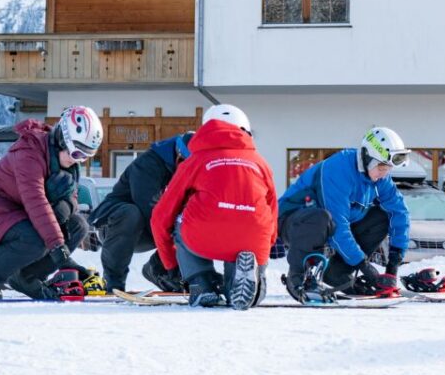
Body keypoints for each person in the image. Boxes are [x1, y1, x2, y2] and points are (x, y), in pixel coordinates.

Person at [0, 106, 103, 300]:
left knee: (77, 226)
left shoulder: (66, 164)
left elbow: (73, 196)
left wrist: (65, 207)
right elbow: (35, 201)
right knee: (36, 238)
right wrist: (61, 255)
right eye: (78, 154)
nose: (79, 161)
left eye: (87, 156)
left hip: (19, 213)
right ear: (63, 140)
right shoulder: (29, 153)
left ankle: (27, 276)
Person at [150, 104, 278, 310]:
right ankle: (247, 284)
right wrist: (265, 246)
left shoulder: (195, 161)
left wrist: (171, 265)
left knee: (179, 219)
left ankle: (202, 285)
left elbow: (162, 214)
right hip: (253, 235)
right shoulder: (260, 163)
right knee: (243, 261)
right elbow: (272, 209)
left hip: (203, 234)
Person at [278, 127, 411, 303]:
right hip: (294, 220)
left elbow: (399, 212)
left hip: (331, 224)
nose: (384, 174)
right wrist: (364, 266)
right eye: (381, 167)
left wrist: (393, 265)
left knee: (381, 216)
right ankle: (298, 278)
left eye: (388, 169)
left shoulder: (380, 178)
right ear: (367, 157)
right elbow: (338, 225)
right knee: (322, 219)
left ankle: (337, 274)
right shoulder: (338, 170)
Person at [88, 132, 194, 293]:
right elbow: (151, 210)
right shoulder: (147, 165)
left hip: (145, 227)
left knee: (188, 221)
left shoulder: (182, 170)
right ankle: (113, 282)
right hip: (113, 225)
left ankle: (159, 271)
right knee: (132, 213)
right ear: (179, 155)